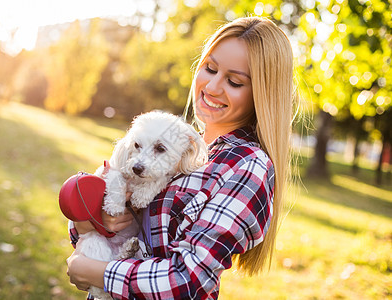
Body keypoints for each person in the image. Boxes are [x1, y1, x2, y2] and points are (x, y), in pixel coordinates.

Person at [67, 16, 295, 299]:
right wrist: (88, 221)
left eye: (234, 82)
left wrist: (98, 273)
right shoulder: (176, 142)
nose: (212, 87)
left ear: (261, 93)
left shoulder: (248, 166)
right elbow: (93, 219)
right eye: (210, 68)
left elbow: (188, 280)